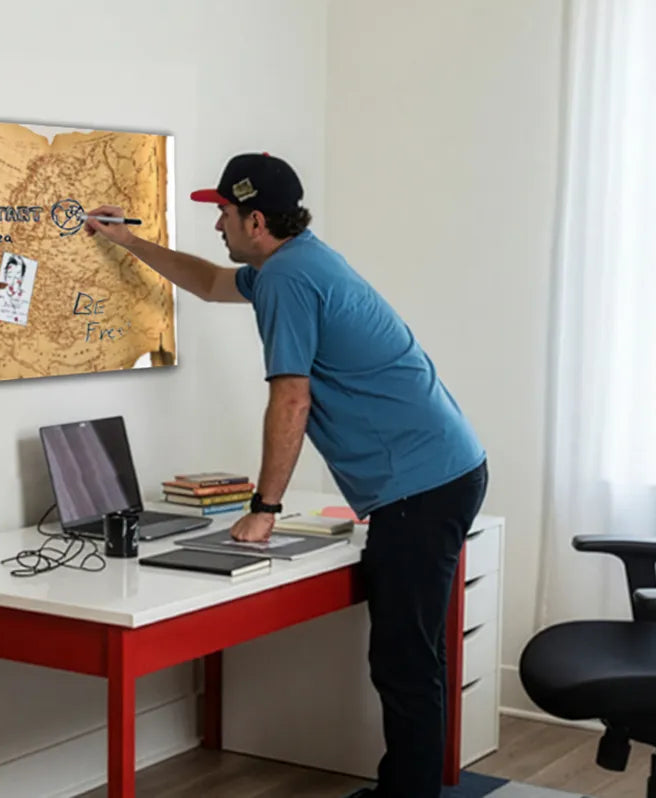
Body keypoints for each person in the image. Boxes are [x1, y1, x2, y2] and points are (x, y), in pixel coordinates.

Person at [84, 152, 488, 798]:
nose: (217, 224)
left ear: (256, 221)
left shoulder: (286, 281)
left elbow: (292, 398)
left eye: (223, 212)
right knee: (411, 652)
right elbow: (211, 283)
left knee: (405, 659)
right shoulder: (296, 261)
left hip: (421, 485)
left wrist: (264, 507)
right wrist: (128, 243)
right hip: (441, 470)